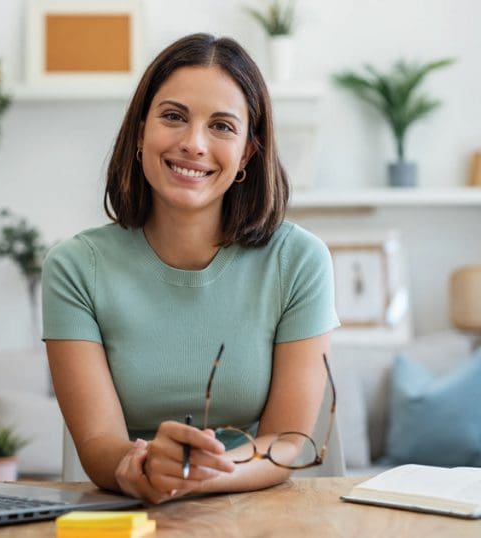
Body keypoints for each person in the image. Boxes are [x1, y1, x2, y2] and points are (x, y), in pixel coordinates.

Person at [41, 33, 339, 504]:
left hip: (257, 516)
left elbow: (288, 442)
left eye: (222, 126)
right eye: (174, 117)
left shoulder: (299, 261)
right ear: (140, 132)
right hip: (132, 512)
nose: (194, 144)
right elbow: (98, 447)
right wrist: (141, 468)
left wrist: (199, 473)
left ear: (246, 154)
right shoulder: (75, 268)